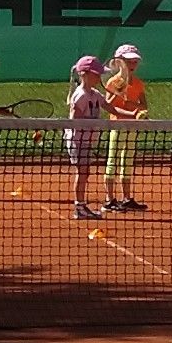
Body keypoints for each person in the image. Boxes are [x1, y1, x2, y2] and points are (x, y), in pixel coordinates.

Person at [102, 44, 149, 212]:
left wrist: (134, 107)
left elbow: (143, 105)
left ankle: (127, 198)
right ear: (119, 62)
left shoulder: (138, 84)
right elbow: (108, 105)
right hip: (117, 126)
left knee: (127, 162)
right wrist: (118, 92)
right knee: (112, 161)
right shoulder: (113, 82)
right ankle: (109, 200)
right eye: (129, 61)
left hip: (132, 128)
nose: (132, 64)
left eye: (135, 61)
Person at [65, 56, 108, 220]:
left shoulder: (95, 94)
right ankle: (80, 207)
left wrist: (132, 115)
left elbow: (109, 107)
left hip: (87, 140)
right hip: (78, 140)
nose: (99, 77)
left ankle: (80, 206)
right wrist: (93, 123)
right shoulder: (80, 95)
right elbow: (74, 120)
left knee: (85, 172)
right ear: (85, 74)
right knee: (83, 172)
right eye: (96, 74)